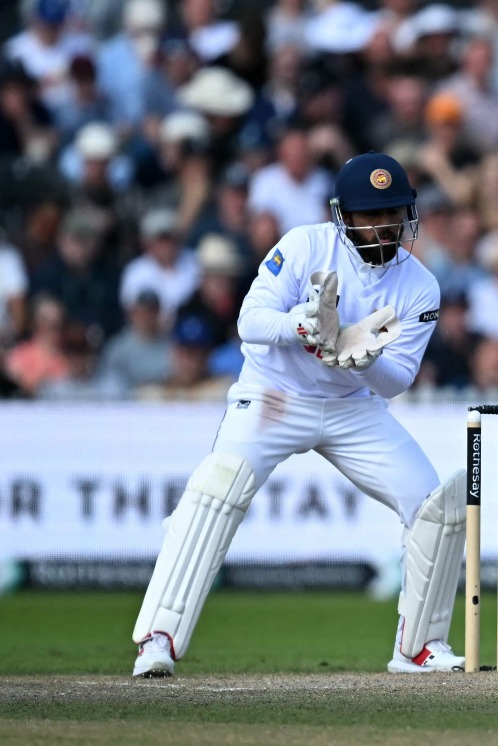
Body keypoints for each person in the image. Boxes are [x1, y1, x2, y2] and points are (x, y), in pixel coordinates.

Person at [131, 152, 468, 677]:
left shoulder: (420, 286)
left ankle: (420, 647)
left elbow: (397, 380)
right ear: (344, 216)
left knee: (437, 507)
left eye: (394, 213)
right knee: (218, 489)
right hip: (274, 395)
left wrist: (360, 359)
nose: (384, 226)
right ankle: (159, 638)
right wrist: (303, 325)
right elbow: (250, 321)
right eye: (370, 215)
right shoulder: (305, 244)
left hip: (353, 408)